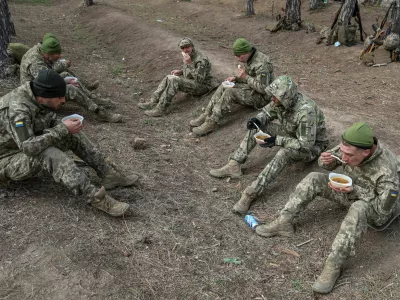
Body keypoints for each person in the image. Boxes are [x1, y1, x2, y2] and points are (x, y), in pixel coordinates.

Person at [254, 122, 400, 294]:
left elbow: (382, 213)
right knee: (314, 177)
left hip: (375, 209)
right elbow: (328, 163)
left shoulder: (387, 171)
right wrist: (326, 161)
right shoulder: (351, 146)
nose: (344, 158)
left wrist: (355, 190)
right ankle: (284, 221)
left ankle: (334, 264)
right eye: (343, 153)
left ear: (366, 152)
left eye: (349, 156)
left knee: (359, 208)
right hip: (350, 191)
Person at [0, 69, 139, 216]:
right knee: (48, 153)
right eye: (60, 97)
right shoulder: (18, 109)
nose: (63, 101)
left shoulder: (36, 95)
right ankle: (96, 198)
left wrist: (63, 126)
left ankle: (107, 173)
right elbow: (29, 147)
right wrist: (62, 128)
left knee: (70, 133)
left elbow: (44, 123)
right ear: (45, 96)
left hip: (17, 147)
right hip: (5, 159)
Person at [209, 76, 328, 214]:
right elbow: (266, 113)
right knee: (256, 127)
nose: (272, 99)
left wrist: (276, 140)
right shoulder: (280, 101)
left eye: (275, 97)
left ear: (286, 98)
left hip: (312, 146)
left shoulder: (306, 112)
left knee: (284, 153)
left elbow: (305, 144)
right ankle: (235, 164)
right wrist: (257, 120)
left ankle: (251, 193)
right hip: (293, 134)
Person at [20, 33, 122, 123]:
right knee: (71, 89)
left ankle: (94, 99)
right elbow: (47, 82)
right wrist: (64, 82)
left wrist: (64, 79)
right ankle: (100, 112)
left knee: (65, 75)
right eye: (57, 55)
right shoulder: (34, 61)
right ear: (48, 54)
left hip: (41, 89)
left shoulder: (41, 51)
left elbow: (48, 76)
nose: (59, 57)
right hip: (37, 99)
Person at [190, 38, 274, 136]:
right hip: (252, 89)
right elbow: (251, 76)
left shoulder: (261, 64)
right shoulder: (250, 58)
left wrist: (245, 77)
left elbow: (263, 88)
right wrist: (236, 78)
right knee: (224, 85)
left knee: (230, 92)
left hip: (262, 98)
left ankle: (212, 123)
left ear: (246, 51)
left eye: (239, 55)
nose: (238, 59)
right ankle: (206, 114)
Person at [138, 37, 213, 117]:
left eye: (187, 47)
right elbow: (190, 70)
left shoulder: (200, 60)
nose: (185, 50)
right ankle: (153, 101)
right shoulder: (190, 55)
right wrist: (180, 71)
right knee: (169, 77)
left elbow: (199, 79)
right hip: (193, 81)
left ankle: (161, 109)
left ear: (192, 46)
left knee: (174, 80)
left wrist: (189, 63)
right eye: (183, 48)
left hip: (203, 86)